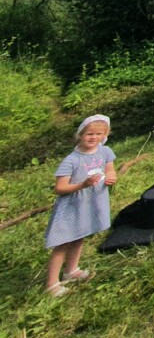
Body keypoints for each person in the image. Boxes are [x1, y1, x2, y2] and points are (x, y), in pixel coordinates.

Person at [44, 115, 117, 297]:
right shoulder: (72, 160)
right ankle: (52, 284)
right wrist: (81, 185)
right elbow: (59, 188)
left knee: (79, 236)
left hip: (90, 203)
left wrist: (111, 177)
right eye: (89, 134)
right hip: (71, 206)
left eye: (98, 134)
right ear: (80, 135)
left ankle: (72, 270)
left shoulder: (105, 151)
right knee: (62, 243)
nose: (94, 138)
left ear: (105, 134)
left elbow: (109, 169)